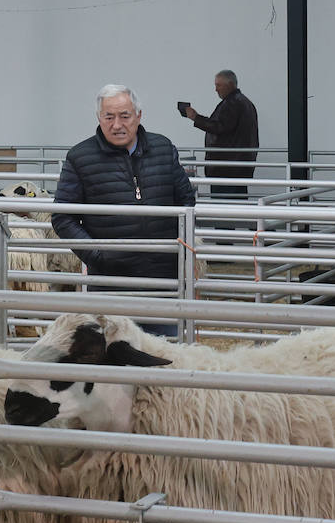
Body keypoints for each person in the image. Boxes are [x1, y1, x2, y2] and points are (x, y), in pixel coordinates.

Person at [54, 84, 197, 336]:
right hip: (110, 280)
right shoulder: (80, 157)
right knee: (113, 351)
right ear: (99, 118)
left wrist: (174, 249)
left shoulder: (163, 148)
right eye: (109, 117)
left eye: (125, 116)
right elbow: (63, 216)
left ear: (138, 116)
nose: (117, 125)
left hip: (162, 279)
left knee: (165, 351)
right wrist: (97, 255)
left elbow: (185, 199)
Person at [183, 70, 259, 197]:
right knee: (236, 205)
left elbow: (220, 127)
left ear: (230, 84)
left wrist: (196, 118)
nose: (216, 89)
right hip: (240, 166)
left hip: (226, 167)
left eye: (219, 85)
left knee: (225, 206)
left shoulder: (232, 103)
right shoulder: (245, 102)